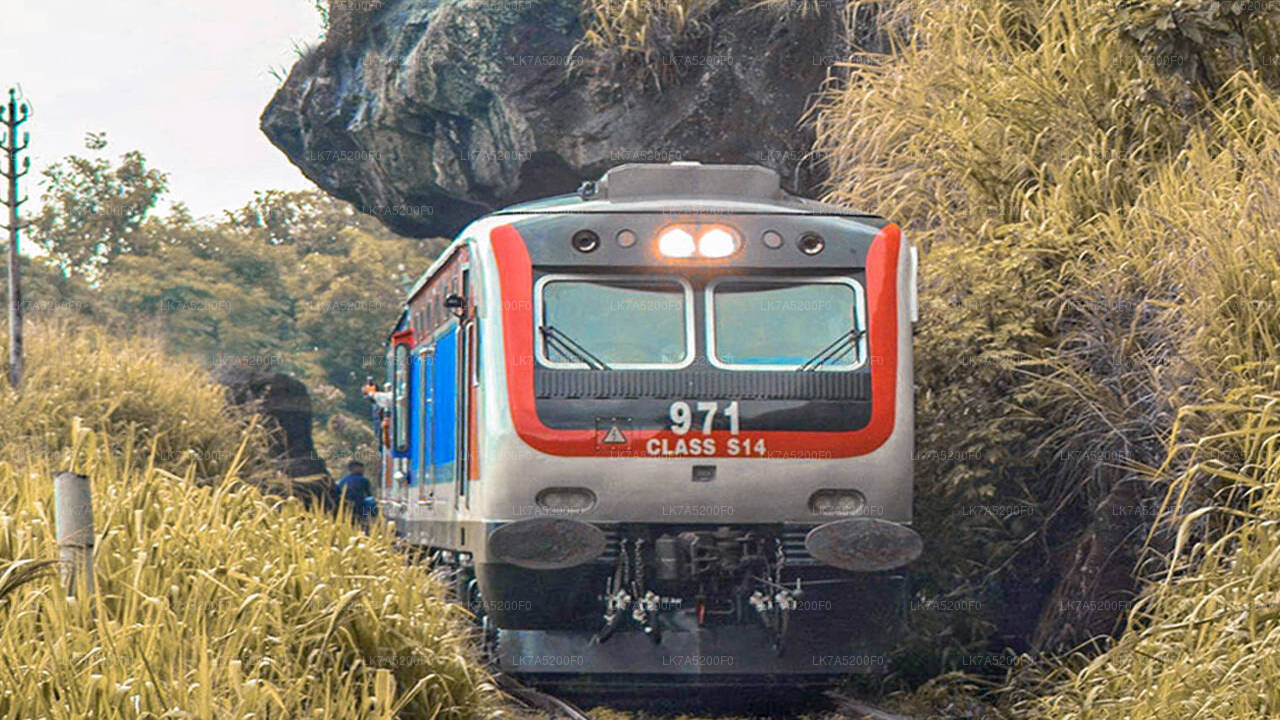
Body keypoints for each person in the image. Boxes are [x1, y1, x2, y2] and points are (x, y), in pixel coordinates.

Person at [334, 460, 376, 527]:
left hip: (344, 506)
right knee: (371, 501)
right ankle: (369, 519)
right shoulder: (363, 480)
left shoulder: (342, 480)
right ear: (354, 468)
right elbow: (369, 494)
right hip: (359, 505)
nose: (363, 470)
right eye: (361, 468)